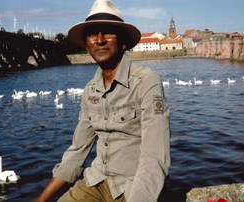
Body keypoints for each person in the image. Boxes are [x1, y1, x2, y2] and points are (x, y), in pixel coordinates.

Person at [33, 0, 170, 201]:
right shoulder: (90, 91)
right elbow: (77, 152)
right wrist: (40, 199)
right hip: (96, 182)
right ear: (87, 45)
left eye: (107, 32)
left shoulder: (146, 82)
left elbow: (155, 157)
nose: (99, 40)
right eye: (92, 34)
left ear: (123, 42)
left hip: (133, 187)